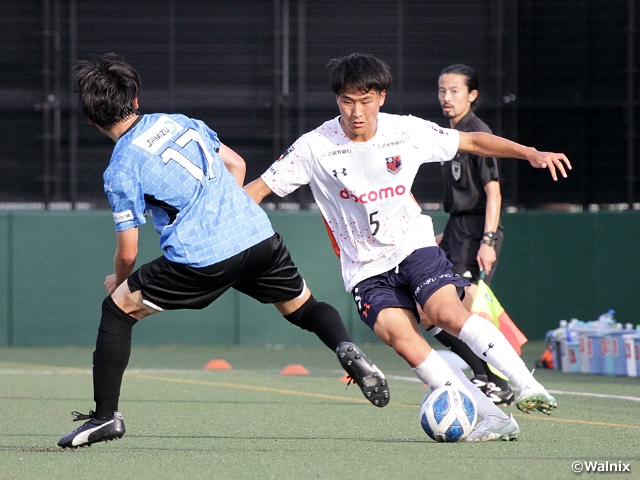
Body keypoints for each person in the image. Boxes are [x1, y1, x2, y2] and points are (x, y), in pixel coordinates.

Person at [57, 53, 389, 449]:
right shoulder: (177, 122)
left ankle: (104, 418)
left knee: (116, 310)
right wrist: (223, 213)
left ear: (91, 119)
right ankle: (343, 344)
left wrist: (121, 282)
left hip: (202, 258)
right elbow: (236, 164)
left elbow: (128, 252)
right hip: (257, 236)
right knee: (303, 308)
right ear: (136, 100)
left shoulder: (121, 167)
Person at [245, 53, 570, 442]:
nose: (356, 112)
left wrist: (530, 153)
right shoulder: (313, 147)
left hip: (412, 245)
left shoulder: (406, 132)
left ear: (382, 96)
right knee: (403, 339)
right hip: (364, 267)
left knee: (445, 312)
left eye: (365, 101)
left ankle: (527, 385)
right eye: (347, 101)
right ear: (337, 101)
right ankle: (492, 417)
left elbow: (472, 140)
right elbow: (258, 190)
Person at [418, 64, 514, 406]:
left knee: (455, 309)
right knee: (428, 310)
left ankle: (496, 379)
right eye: (442, 90)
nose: (447, 97)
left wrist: (487, 240)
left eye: (455, 90)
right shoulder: (451, 134)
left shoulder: (477, 132)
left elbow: (494, 192)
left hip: (476, 232)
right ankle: (484, 375)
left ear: (472, 95)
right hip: (459, 230)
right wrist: (448, 235)